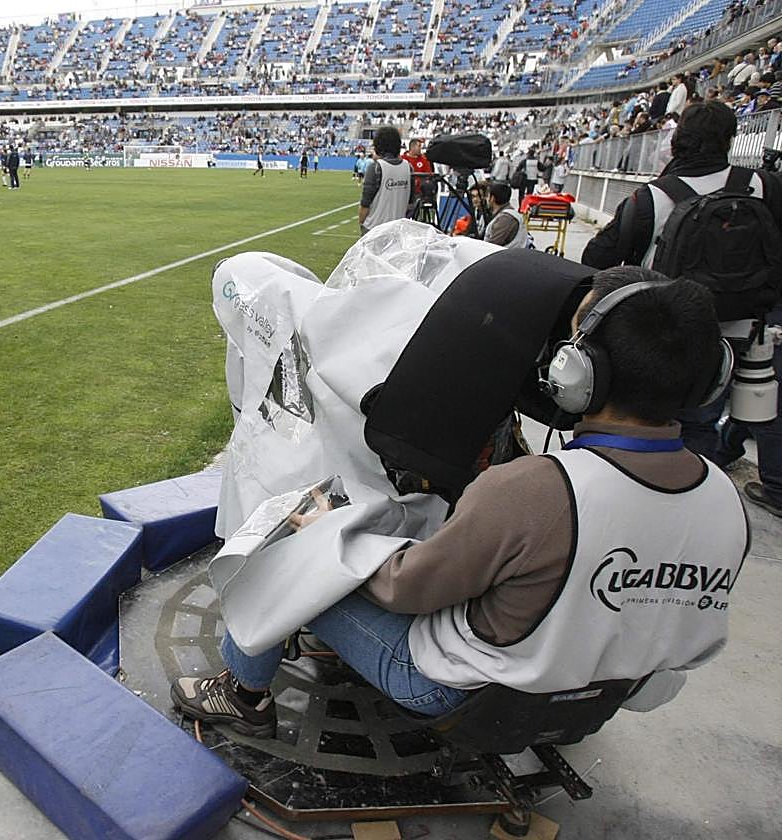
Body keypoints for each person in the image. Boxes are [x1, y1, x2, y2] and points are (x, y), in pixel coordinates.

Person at [172, 267, 746, 737]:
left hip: (463, 696)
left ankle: (242, 695)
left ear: (581, 374)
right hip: (601, 699)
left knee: (289, 549)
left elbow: (406, 588)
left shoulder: (535, 488)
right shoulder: (726, 502)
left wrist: (326, 529)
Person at [582, 101, 782, 516]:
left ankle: (645, 499)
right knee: (706, 421)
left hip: (664, 334)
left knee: (655, 420)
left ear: (676, 141)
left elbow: (597, 257)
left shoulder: (652, 198)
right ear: (730, 141)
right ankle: (697, 493)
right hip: (744, 329)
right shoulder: (763, 186)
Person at [358, 127, 414, 236]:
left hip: (375, 229)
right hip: (398, 230)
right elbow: (410, 203)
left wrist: (361, 222)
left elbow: (365, 203)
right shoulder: (409, 167)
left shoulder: (375, 168)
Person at [481, 182, 527, 248]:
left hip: (507, 256)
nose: (486, 199)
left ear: (492, 198)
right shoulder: (504, 215)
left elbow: (491, 245)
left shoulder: (506, 219)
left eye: (487, 196)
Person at [400, 137, 434, 202]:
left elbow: (428, 176)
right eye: (419, 146)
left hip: (418, 193)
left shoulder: (424, 160)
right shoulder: (402, 159)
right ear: (412, 147)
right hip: (403, 192)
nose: (420, 148)